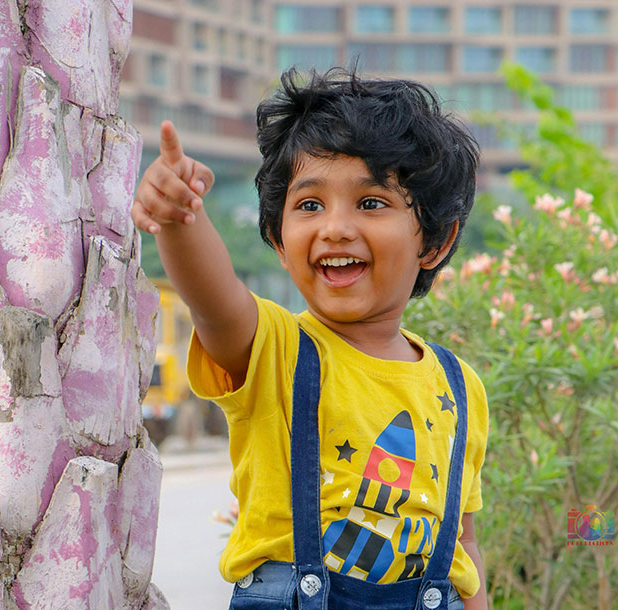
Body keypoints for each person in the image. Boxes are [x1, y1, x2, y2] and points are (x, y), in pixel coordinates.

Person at [132, 68, 488, 610]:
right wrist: (181, 220)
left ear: (436, 241)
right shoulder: (275, 349)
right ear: (279, 239)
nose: (335, 228)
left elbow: (462, 546)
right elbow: (213, 299)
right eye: (309, 205)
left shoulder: (460, 386)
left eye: (371, 203)